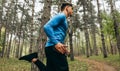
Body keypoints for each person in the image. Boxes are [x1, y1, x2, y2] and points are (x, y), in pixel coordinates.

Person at [19, 2, 73, 71]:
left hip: (51, 48)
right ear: (67, 8)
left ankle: (34, 59)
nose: (72, 11)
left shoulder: (63, 19)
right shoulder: (61, 16)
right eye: (72, 9)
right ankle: (34, 59)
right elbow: (47, 27)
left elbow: (58, 34)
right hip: (54, 48)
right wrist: (56, 42)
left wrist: (62, 47)